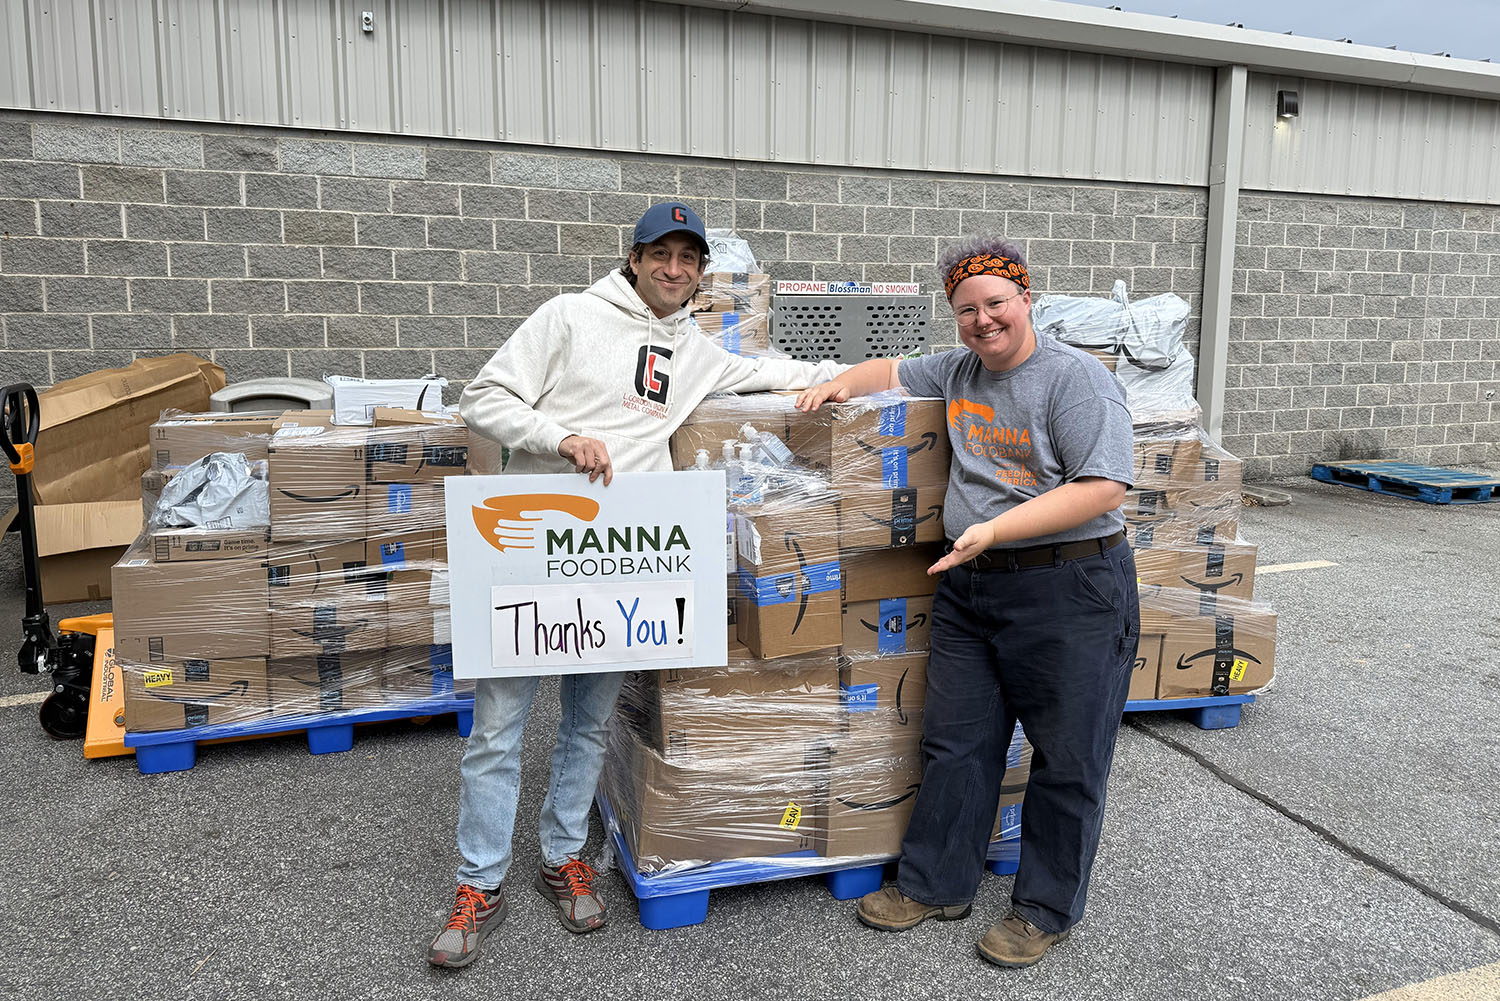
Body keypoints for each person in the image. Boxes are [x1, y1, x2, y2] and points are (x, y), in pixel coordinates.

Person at [428, 201, 845, 968]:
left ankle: (562, 856)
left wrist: (859, 377)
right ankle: (478, 881)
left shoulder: (693, 350)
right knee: (497, 730)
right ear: (635, 256)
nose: (674, 269)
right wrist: (560, 437)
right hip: (535, 547)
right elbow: (482, 398)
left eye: (689, 259)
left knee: (589, 721)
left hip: (622, 560)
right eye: (662, 254)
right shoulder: (568, 317)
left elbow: (774, 372)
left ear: (699, 273)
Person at [795, 236, 1139, 969]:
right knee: (958, 740)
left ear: (1026, 301)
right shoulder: (957, 369)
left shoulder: (1075, 380)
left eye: (996, 303)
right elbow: (887, 369)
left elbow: (1103, 487)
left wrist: (994, 528)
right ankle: (935, 883)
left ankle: (1043, 909)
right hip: (972, 585)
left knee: (1069, 756)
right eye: (966, 310)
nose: (983, 321)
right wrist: (836, 387)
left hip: (1069, 585)